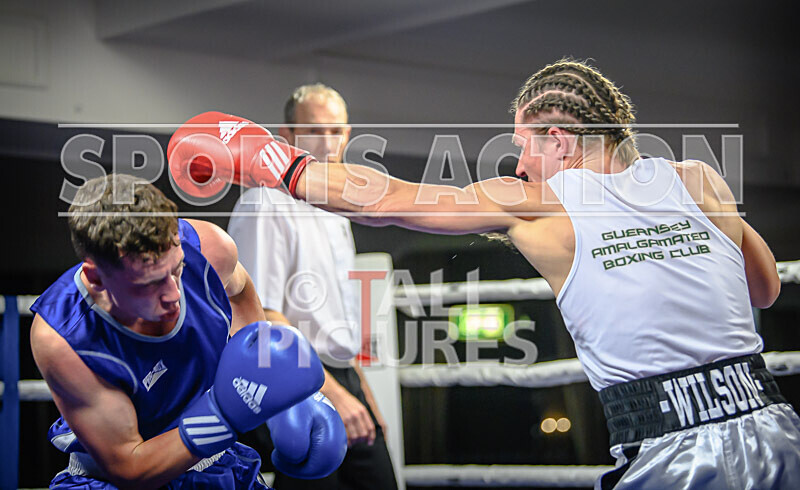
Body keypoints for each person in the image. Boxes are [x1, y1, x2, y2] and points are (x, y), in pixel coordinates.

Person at [168, 58, 800, 489]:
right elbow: (764, 288)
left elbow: (389, 200)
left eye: (525, 143)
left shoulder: (536, 203)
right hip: (777, 430)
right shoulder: (698, 178)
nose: (521, 161)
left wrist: (274, 162)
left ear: (558, 138)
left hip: (672, 453)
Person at [30, 174, 346, 489]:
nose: (173, 294)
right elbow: (130, 466)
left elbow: (239, 291)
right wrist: (222, 415)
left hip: (216, 463)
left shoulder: (210, 249)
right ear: (96, 279)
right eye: (150, 284)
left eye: (176, 269)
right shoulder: (64, 339)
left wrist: (268, 374)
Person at [227, 84, 398, 489]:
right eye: (314, 131)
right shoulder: (264, 202)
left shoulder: (337, 209)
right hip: (292, 380)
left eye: (335, 131)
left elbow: (335, 320)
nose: (326, 142)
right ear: (286, 137)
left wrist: (363, 393)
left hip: (340, 374)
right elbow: (262, 315)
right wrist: (333, 395)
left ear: (348, 136)